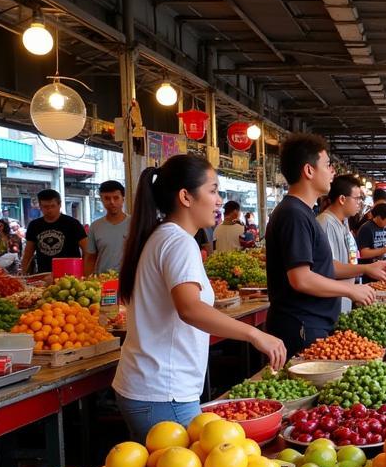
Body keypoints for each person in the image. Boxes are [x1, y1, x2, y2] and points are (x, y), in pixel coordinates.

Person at [112, 154, 285, 441]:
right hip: (164, 393)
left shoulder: (162, 236)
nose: (219, 200)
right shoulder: (179, 241)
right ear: (186, 197)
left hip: (150, 386)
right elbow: (189, 309)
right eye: (213, 190)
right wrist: (256, 335)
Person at [264, 134, 386, 358]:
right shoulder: (294, 214)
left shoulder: (304, 213)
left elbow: (323, 266)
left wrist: (365, 268)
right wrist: (350, 289)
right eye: (328, 165)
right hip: (300, 325)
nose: (333, 171)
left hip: (312, 322)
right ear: (309, 171)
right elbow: (301, 278)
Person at [317, 174, 367, 314]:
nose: (360, 203)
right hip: (332, 304)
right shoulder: (326, 223)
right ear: (342, 199)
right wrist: (367, 268)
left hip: (343, 300)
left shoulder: (343, 222)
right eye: (357, 198)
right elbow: (330, 267)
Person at [21, 189, 87, 274]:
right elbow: (28, 254)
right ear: (40, 207)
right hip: (44, 274)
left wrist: (84, 271)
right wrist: (24, 274)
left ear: (59, 204)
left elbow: (87, 250)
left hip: (70, 274)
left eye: (53, 206)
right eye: (45, 207)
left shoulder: (73, 224)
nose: (49, 210)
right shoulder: (34, 225)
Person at [83, 180, 129, 275]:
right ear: (101, 200)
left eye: (116, 198)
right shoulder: (95, 226)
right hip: (102, 282)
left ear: (123, 199)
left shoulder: (135, 224)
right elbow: (90, 258)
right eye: (107, 198)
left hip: (129, 282)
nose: (112, 202)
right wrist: (87, 281)